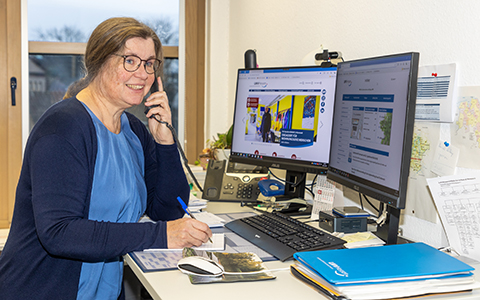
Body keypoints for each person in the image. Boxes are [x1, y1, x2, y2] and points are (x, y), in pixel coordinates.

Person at [0, 17, 212, 300]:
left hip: (103, 290)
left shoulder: (133, 130)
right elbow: (60, 232)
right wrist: (160, 236)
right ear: (99, 61)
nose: (143, 73)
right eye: (130, 61)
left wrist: (165, 142)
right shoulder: (63, 127)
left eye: (149, 63)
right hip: (41, 289)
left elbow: (168, 210)